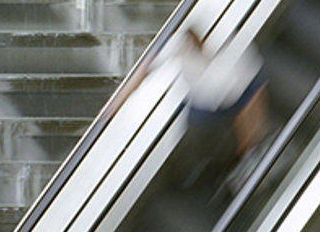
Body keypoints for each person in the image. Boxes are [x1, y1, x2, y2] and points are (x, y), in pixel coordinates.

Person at [114, 25, 269, 188]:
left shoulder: (228, 40)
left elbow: (252, 87)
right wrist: (116, 104)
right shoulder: (180, 40)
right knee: (198, 130)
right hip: (205, 103)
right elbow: (145, 69)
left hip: (227, 95)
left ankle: (247, 157)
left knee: (247, 102)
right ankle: (233, 160)